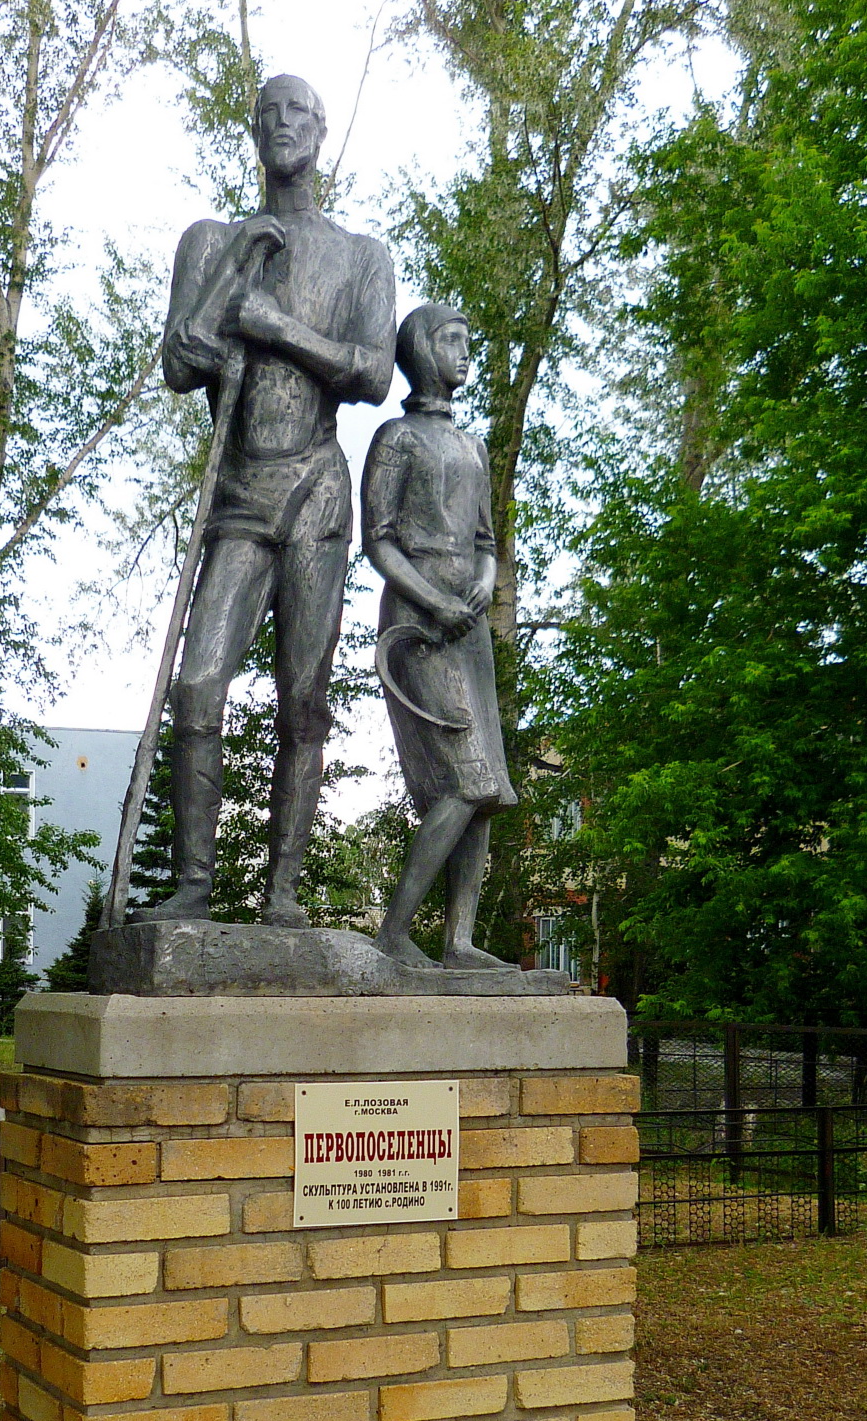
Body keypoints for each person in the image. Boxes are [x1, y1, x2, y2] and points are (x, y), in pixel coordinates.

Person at [143, 74, 396, 927]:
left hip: (317, 496)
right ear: (253, 133)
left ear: (321, 132)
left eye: (298, 112)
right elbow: (182, 364)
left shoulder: (361, 255)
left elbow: (370, 371)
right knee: (198, 689)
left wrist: (272, 322)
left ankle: (281, 893)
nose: (282, 124)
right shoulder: (213, 238)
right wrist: (227, 285)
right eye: (267, 113)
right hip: (241, 492)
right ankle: (194, 885)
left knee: (303, 700)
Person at [361, 304, 517, 969]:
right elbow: (380, 541)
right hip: (419, 620)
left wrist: (484, 580)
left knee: (485, 794)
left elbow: (486, 538)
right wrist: (433, 600)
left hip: (469, 625)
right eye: (451, 340)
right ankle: (395, 931)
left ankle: (458, 941)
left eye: (467, 341)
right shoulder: (396, 438)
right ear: (420, 348)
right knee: (462, 781)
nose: (464, 354)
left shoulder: (472, 445)